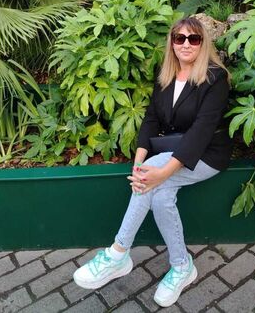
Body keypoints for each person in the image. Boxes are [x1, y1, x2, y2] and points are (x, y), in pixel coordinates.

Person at [73, 16, 231, 307]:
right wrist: (139, 161)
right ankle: (182, 266)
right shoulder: (166, 73)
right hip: (172, 152)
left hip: (207, 154)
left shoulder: (215, 78)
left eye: (193, 38)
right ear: (172, 43)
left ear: (202, 43)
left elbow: (202, 131)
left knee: (152, 179)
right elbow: (151, 118)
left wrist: (161, 172)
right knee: (159, 196)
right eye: (179, 38)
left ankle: (118, 253)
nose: (186, 44)